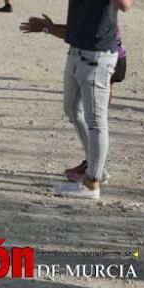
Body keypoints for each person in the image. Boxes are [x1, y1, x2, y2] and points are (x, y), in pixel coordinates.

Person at [37, 0, 133, 200]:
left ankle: (92, 184)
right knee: (71, 111)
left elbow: (125, 3)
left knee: (96, 120)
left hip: (99, 55)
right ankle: (95, 166)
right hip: (76, 52)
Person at [20, 16, 128, 183]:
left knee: (96, 119)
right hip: (106, 55)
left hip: (105, 58)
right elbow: (76, 30)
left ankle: (94, 172)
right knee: (82, 114)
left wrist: (48, 28)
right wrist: (50, 27)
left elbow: (80, 34)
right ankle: (94, 164)